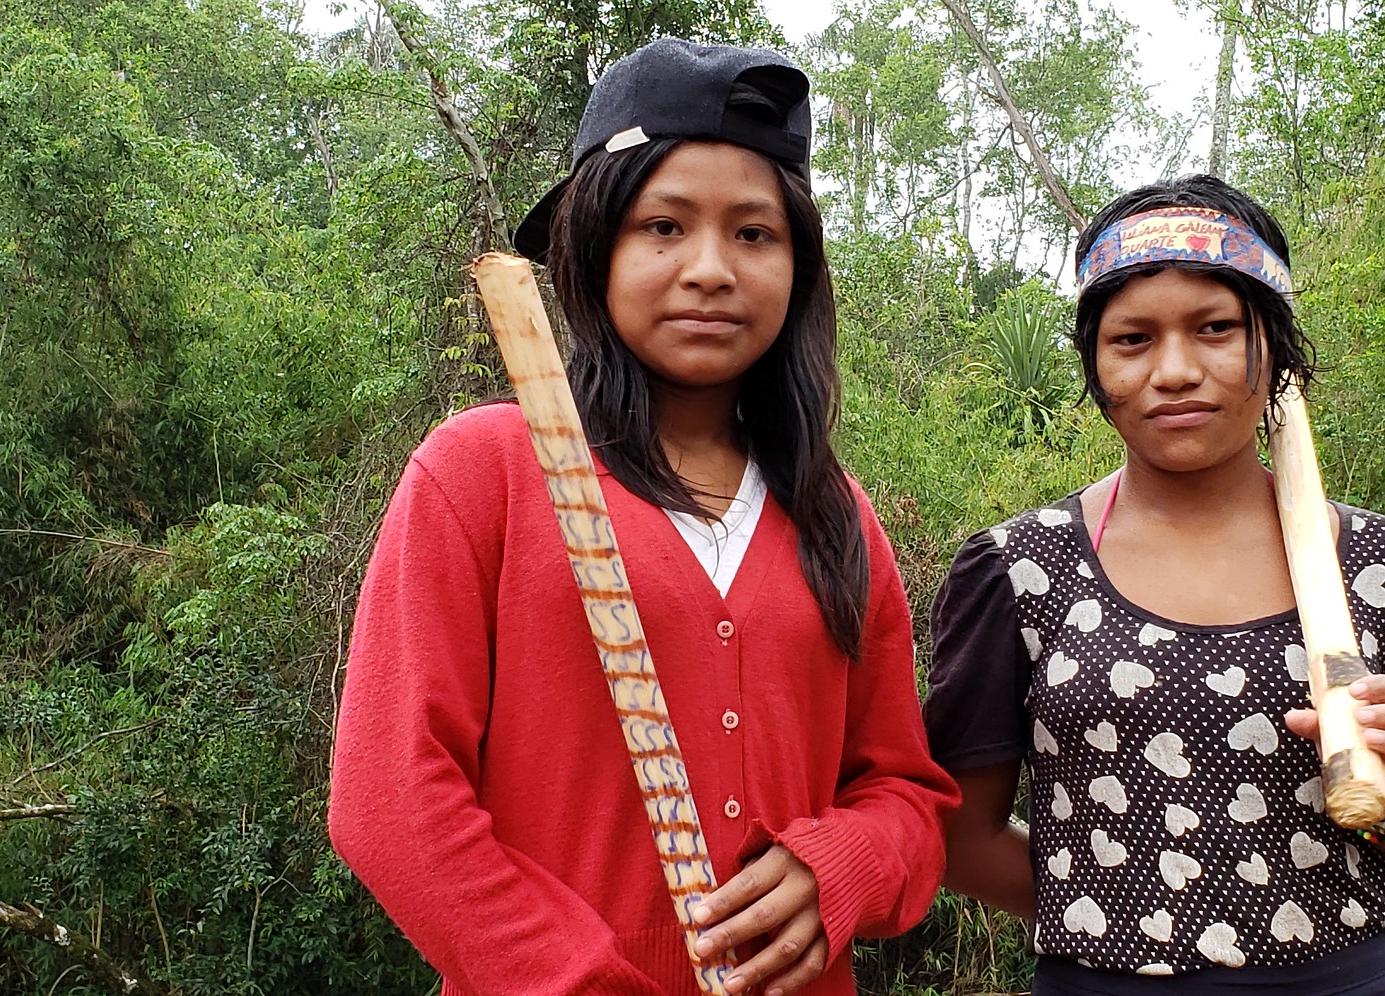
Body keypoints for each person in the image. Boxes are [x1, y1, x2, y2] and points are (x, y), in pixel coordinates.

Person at [328, 38, 957, 996]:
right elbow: (391, 801)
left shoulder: (837, 516)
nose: (711, 268)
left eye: (755, 233)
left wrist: (843, 866)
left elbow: (905, 796)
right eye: (664, 227)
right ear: (594, 246)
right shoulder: (484, 474)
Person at [923, 174, 1385, 995]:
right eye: (1133, 339)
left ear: (1277, 350)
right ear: (1093, 364)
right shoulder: (1017, 572)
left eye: (1216, 328)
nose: (1175, 370)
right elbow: (960, 838)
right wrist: (1121, 915)